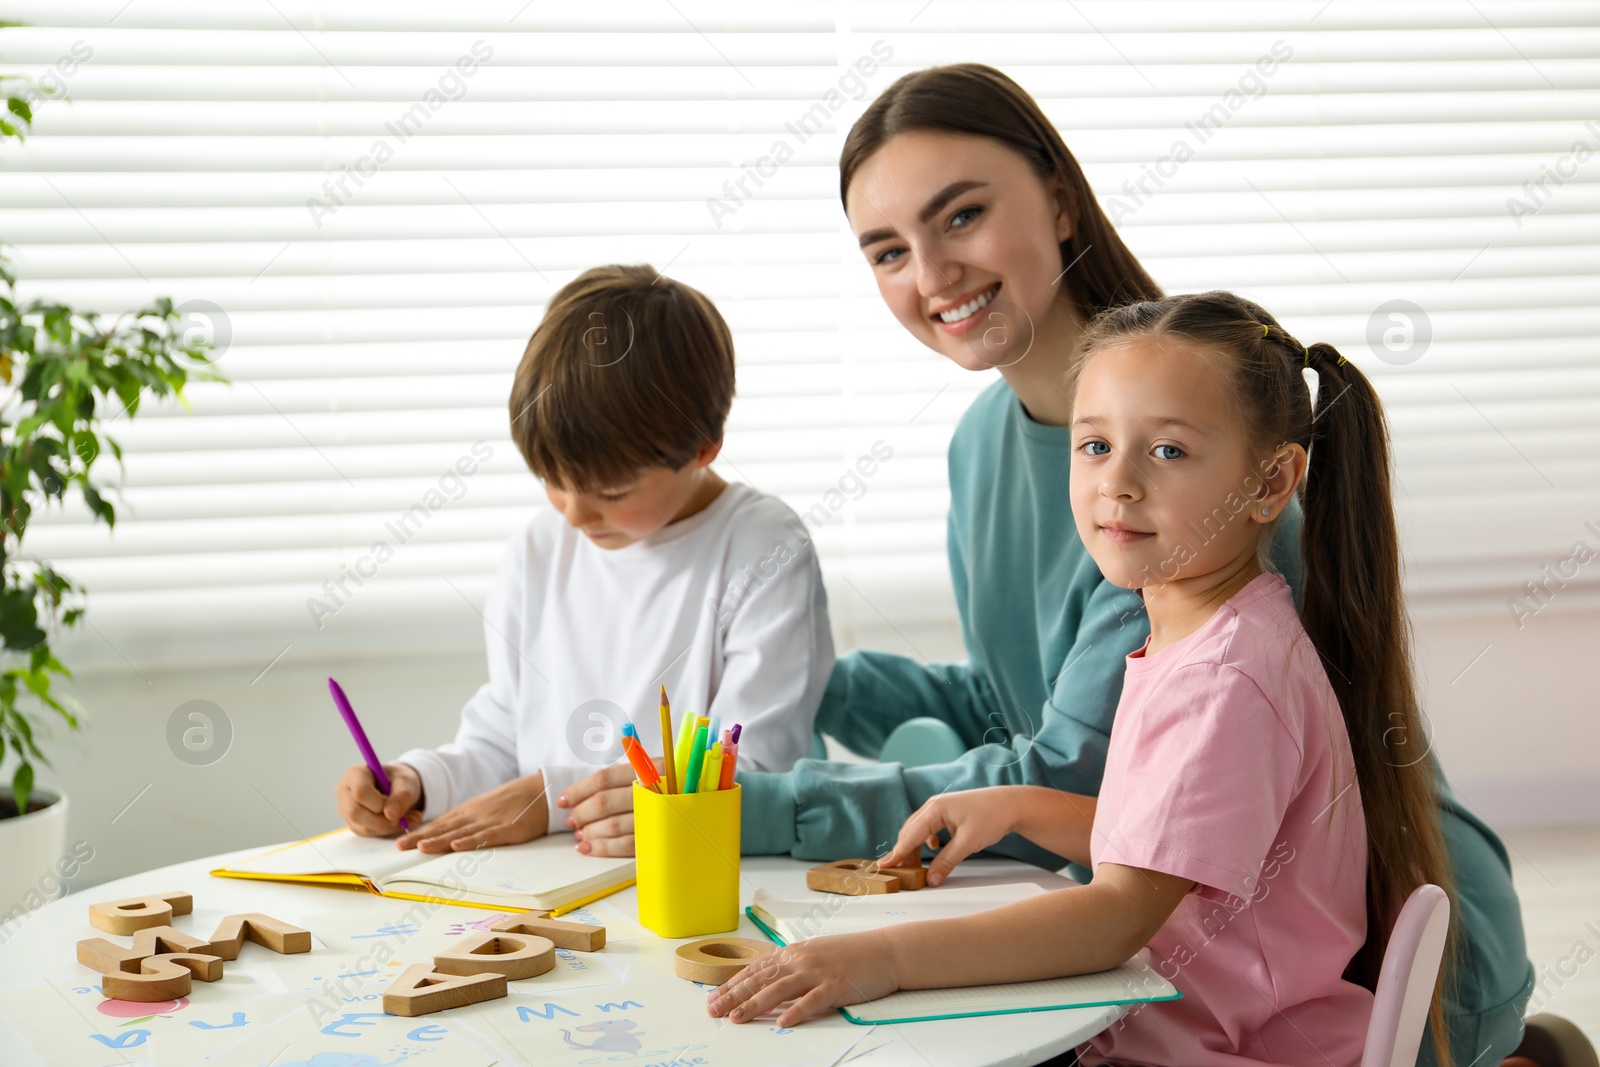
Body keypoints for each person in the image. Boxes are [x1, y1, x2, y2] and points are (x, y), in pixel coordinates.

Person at [554, 65, 1529, 1064]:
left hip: (1373, 978)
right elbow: (1022, 701)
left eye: (961, 215)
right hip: (1210, 952)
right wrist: (787, 669)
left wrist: (765, 818)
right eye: (888, 250)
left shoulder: (1205, 473)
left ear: (1060, 200)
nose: (931, 274)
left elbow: (1080, 784)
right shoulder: (995, 445)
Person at [707, 291, 1452, 1067]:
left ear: (1270, 483)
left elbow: (1118, 913)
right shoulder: (1206, 634)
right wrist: (1020, 805)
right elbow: (1161, 847)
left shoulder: (1228, 678)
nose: (1118, 483)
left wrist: (883, 958)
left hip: (1215, 1051)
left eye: (1168, 451)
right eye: (1094, 445)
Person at [333, 264, 833, 853]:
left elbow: (750, 770)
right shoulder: (540, 547)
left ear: (703, 448)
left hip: (688, 880)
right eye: (551, 480)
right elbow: (504, 737)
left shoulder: (763, 548)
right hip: (546, 878)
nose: (572, 514)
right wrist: (418, 783)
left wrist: (551, 798)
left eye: (612, 493)